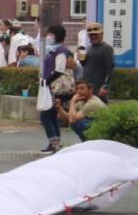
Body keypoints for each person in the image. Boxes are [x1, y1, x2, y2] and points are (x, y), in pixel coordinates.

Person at [38, 24, 74, 155]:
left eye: (50, 34)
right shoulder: (53, 50)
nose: (48, 37)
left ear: (56, 36)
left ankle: (54, 144)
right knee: (51, 116)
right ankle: (56, 143)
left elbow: (59, 70)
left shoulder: (60, 51)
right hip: (52, 88)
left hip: (56, 88)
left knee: (46, 116)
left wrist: (47, 81)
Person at [79, 22, 115, 102]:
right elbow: (84, 65)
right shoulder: (88, 48)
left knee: (99, 111)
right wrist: (81, 58)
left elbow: (110, 68)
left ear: (101, 34)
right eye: (91, 35)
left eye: (96, 34)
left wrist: (105, 86)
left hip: (99, 88)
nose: (93, 37)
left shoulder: (107, 48)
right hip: (87, 87)